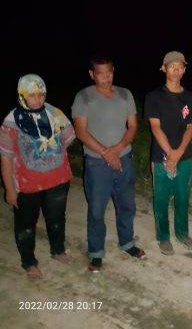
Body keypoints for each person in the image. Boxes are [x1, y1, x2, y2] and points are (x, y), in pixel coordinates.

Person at [71, 57, 144, 272]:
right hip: (96, 163)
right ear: (92, 74)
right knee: (96, 209)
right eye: (100, 74)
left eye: (109, 73)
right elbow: (80, 131)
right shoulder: (83, 97)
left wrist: (118, 149)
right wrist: (105, 153)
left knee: (127, 204)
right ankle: (96, 252)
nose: (106, 77)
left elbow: (132, 126)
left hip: (124, 158)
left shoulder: (125, 94)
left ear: (114, 71)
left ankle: (127, 242)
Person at [0, 74, 75, 279]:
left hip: (58, 180)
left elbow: (68, 139)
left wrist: (50, 158)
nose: (38, 99)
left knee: (57, 219)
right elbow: (6, 158)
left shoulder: (55, 114)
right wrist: (10, 189)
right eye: (32, 95)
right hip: (27, 186)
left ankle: (58, 250)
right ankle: (29, 262)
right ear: (22, 95)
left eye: (41, 94)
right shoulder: (11, 122)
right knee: (25, 225)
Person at [144, 51, 192, 255]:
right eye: (171, 66)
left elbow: (190, 127)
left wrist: (179, 152)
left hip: (185, 156)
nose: (175, 70)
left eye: (179, 66)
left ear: (184, 70)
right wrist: (170, 153)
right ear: (163, 68)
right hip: (161, 156)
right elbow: (155, 127)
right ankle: (163, 237)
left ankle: (182, 233)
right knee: (162, 198)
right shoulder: (154, 96)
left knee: (183, 197)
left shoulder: (190, 97)